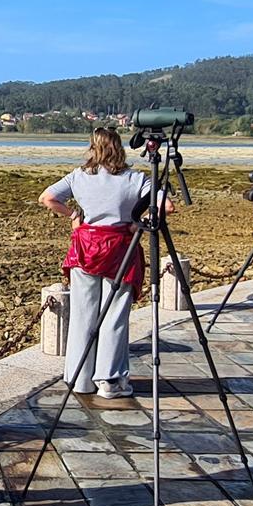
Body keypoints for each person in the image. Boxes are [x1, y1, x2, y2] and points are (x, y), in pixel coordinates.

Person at [38, 128, 162, 400]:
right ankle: (109, 379)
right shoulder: (135, 178)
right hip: (120, 248)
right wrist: (135, 222)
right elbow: (165, 206)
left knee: (83, 314)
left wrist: (73, 214)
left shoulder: (79, 176)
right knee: (114, 316)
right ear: (120, 148)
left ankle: (78, 377)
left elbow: (47, 198)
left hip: (86, 248)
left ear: (92, 148)